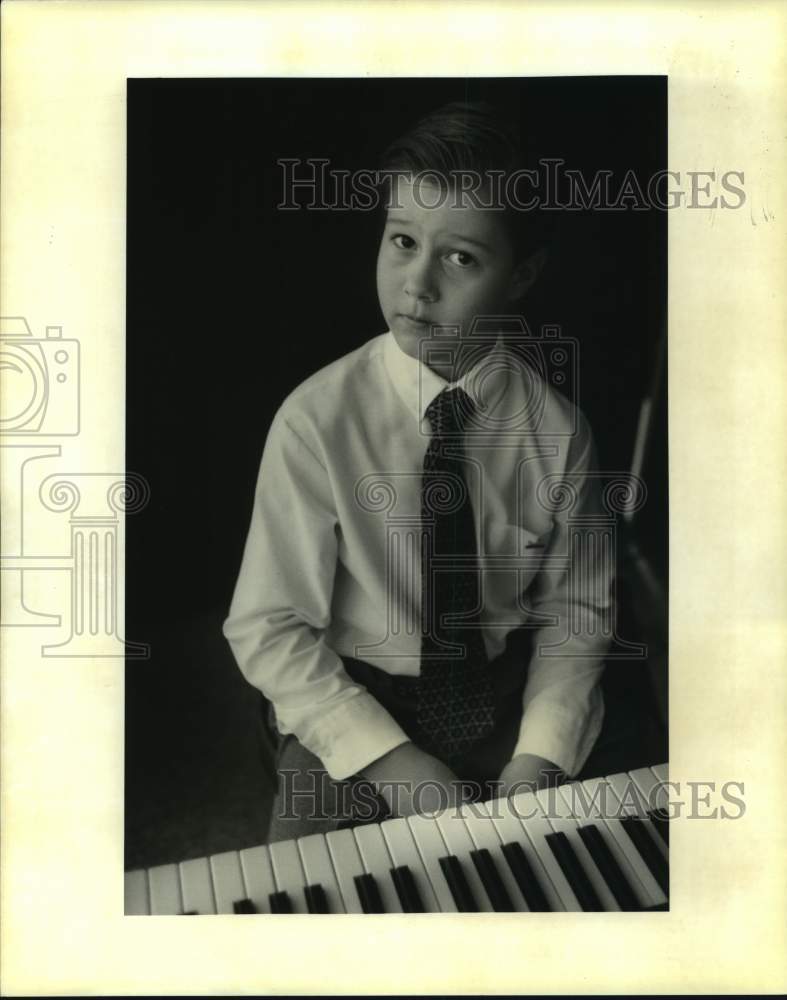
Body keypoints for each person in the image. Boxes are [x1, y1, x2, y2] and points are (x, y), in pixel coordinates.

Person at [223, 101, 614, 843]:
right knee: (314, 902)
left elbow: (576, 614)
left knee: (567, 875)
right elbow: (268, 626)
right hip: (352, 705)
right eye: (402, 241)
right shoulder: (315, 420)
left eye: (460, 257)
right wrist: (394, 764)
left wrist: (540, 757)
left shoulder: (559, 433)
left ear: (522, 274)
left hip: (502, 700)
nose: (417, 285)